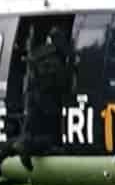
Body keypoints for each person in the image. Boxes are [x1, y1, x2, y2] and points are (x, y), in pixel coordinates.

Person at [12, 25, 71, 171]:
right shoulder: (53, 58)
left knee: (31, 130)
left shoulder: (39, 54)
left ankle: (12, 146)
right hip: (45, 101)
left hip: (33, 100)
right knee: (52, 138)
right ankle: (26, 146)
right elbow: (59, 82)